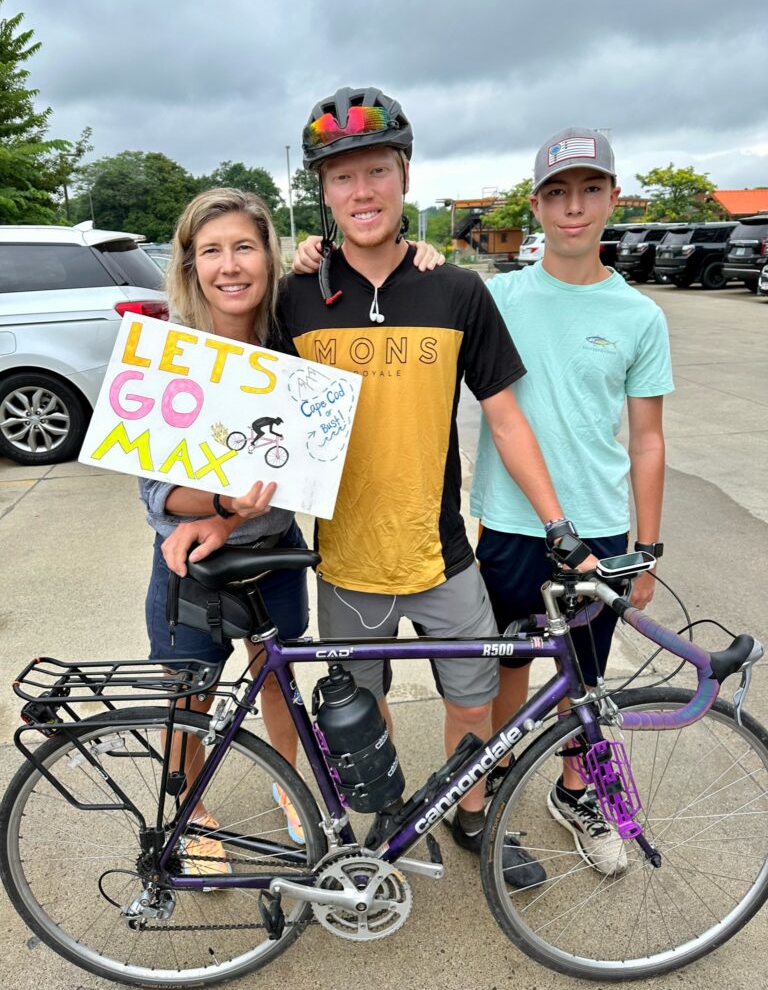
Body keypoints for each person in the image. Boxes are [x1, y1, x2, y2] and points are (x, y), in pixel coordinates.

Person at [162, 87, 591, 888]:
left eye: (377, 172)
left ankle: (469, 815)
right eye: (342, 178)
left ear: (404, 177)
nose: (361, 192)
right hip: (346, 560)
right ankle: (396, 814)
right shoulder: (291, 298)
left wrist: (559, 523)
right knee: (360, 710)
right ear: (322, 195)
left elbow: (504, 418)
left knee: (470, 702)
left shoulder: (458, 289)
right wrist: (214, 518)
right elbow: (250, 430)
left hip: (442, 554)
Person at [471, 127, 674, 875]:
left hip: (601, 527)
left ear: (613, 199)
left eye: (590, 190)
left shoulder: (638, 316)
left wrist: (646, 548)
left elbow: (647, 440)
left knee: (584, 678)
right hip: (511, 522)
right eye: (557, 192)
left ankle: (575, 789)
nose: (574, 207)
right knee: (511, 663)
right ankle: (491, 777)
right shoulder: (499, 296)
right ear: (536, 205)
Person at [140, 187, 310, 862]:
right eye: (211, 250)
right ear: (189, 265)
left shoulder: (291, 344)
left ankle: (286, 785)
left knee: (277, 677)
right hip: (192, 564)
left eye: (244, 246)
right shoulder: (170, 356)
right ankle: (191, 807)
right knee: (190, 697)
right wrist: (219, 505)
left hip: (276, 552)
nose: (229, 265)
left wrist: (422, 249)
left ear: (270, 257)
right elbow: (155, 490)